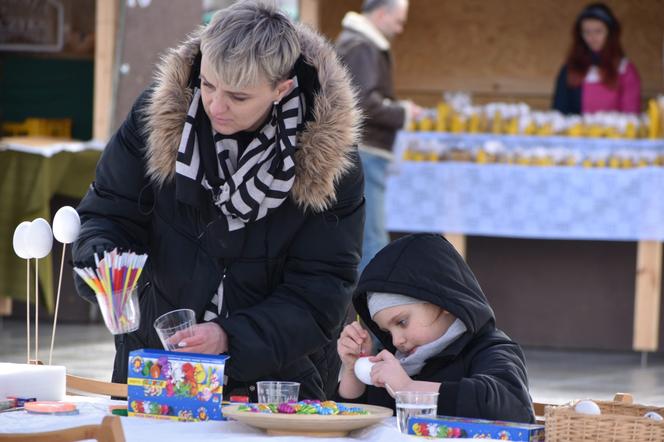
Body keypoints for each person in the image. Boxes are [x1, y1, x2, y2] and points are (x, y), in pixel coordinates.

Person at [72, 1, 364, 401]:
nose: (215, 106)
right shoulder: (157, 118)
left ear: (281, 89)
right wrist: (105, 269)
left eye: (238, 97)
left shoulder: (331, 159)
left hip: (278, 381)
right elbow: (107, 214)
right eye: (208, 85)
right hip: (158, 364)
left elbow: (323, 290)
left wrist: (230, 335)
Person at [336, 234, 535, 423]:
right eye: (387, 331)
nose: (396, 340)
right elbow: (351, 422)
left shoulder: (490, 349)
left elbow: (511, 405)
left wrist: (409, 388)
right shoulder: (397, 362)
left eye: (402, 322)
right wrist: (354, 370)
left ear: (442, 303)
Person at [335, 0, 422, 273]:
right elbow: (364, 104)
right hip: (367, 149)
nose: (401, 27)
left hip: (361, 148)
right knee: (372, 239)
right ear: (382, 14)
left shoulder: (356, 42)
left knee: (365, 236)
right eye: (399, 20)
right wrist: (403, 113)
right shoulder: (363, 46)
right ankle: (376, 311)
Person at [552, 2, 641, 115]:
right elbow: (559, 113)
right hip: (578, 132)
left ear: (611, 33)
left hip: (615, 131)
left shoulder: (625, 70)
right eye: (587, 32)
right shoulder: (571, 68)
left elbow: (631, 115)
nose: (592, 37)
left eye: (598, 31)